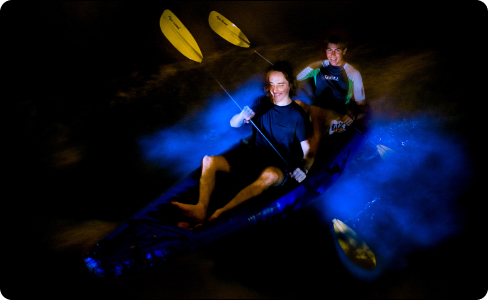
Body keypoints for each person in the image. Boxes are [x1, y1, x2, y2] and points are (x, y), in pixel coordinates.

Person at [171, 61, 315, 229]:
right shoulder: (261, 103)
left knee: (270, 175)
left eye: (280, 84)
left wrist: (303, 169)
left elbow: (308, 152)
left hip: (281, 167)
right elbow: (234, 124)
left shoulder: (298, 116)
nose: (275, 90)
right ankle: (201, 208)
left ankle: (220, 213)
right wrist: (242, 116)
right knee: (209, 160)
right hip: (253, 158)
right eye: (271, 84)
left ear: (290, 85)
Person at [294, 35, 369, 151]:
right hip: (315, 111)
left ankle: (313, 154)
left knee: (326, 129)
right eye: (329, 50)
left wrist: (352, 115)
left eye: (337, 50)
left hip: (337, 118)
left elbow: (362, 106)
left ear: (344, 51)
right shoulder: (316, 67)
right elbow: (293, 80)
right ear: (326, 51)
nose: (332, 55)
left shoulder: (353, 73)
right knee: (296, 104)